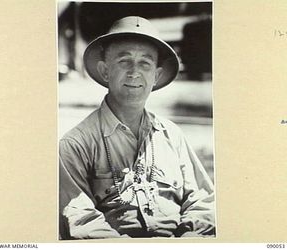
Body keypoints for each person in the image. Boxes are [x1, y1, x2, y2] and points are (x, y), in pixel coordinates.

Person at [59, 16, 215, 239]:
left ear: (156, 75)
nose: (134, 72)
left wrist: (190, 239)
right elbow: (82, 223)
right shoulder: (76, 144)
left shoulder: (172, 135)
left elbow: (203, 203)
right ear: (105, 71)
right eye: (124, 61)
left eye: (145, 63)